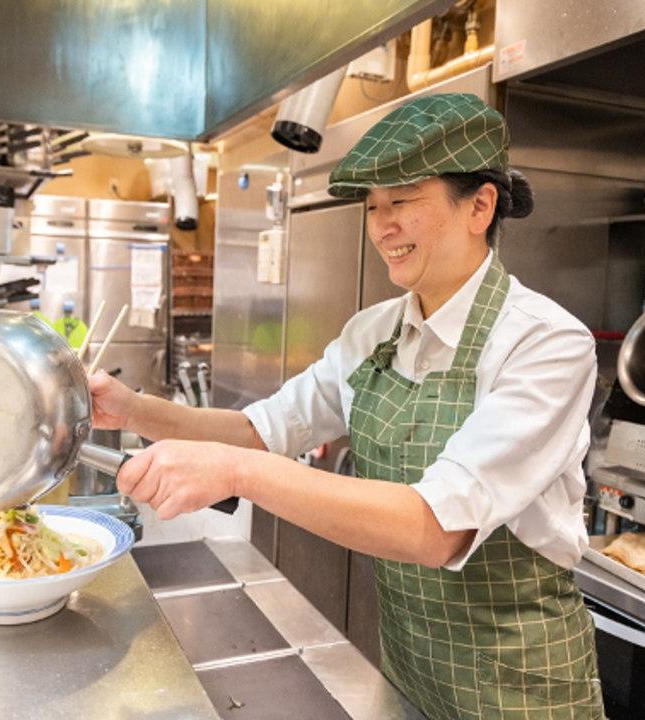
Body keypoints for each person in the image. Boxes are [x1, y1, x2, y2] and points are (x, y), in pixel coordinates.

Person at [88, 93, 605, 720]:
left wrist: (235, 474)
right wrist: (131, 409)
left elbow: (438, 528)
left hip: (521, 689)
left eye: (403, 202)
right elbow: (261, 429)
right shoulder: (374, 332)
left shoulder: (544, 343)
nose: (382, 225)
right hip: (411, 670)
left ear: (480, 205)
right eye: (372, 206)